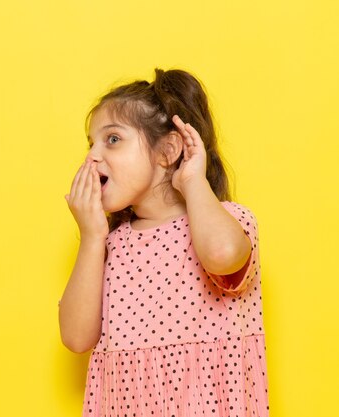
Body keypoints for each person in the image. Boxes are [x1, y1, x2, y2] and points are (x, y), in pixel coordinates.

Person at [58, 68, 269, 416]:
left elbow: (221, 254)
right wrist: (93, 237)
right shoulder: (110, 246)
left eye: (112, 139)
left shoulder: (230, 221)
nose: (92, 156)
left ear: (168, 150)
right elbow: (76, 338)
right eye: (90, 143)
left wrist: (192, 180)